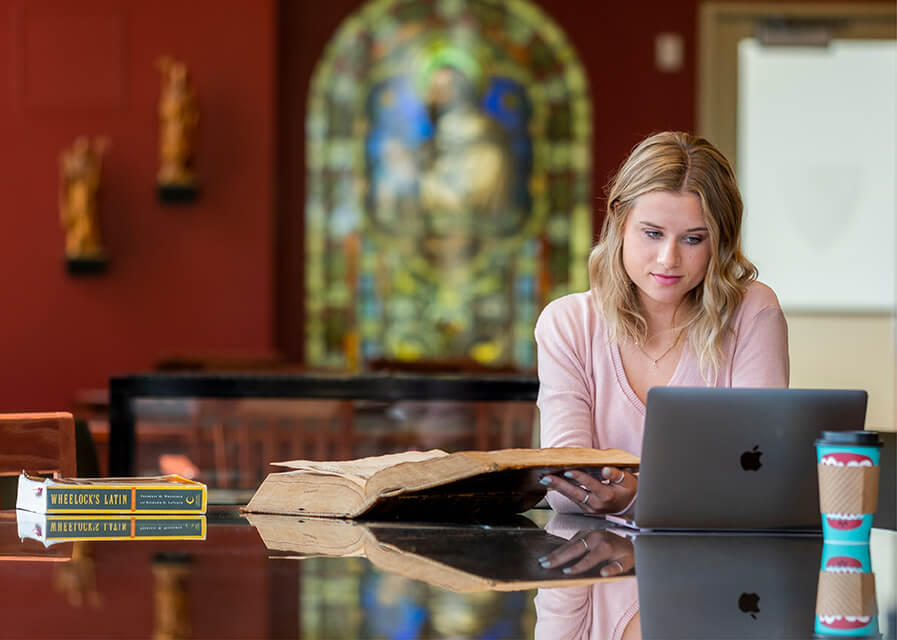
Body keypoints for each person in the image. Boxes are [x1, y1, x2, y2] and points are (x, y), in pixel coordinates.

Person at [535, 131, 789, 516]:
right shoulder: (568, 323)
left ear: (719, 241)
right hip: (594, 565)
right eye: (652, 234)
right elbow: (560, 486)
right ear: (619, 219)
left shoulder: (752, 311)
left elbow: (761, 475)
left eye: (693, 239)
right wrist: (678, 489)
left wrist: (640, 494)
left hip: (717, 568)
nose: (669, 259)